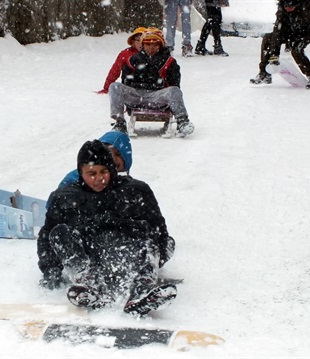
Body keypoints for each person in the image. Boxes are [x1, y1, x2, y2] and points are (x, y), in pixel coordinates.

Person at [37, 139, 177, 316]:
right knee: (60, 233)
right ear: (81, 172)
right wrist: (51, 269)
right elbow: (47, 236)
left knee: (150, 234)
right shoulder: (64, 197)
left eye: (104, 171)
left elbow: (159, 229)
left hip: (127, 257)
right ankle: (90, 286)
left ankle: (142, 289)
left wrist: (158, 257)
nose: (98, 178)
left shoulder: (136, 191)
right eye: (91, 173)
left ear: (112, 169)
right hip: (90, 258)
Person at [108, 28, 195, 137]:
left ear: (160, 45)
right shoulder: (132, 60)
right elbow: (125, 82)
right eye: (148, 44)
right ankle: (119, 122)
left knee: (174, 90)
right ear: (143, 45)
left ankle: (182, 121)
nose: (151, 48)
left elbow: (174, 85)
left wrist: (158, 82)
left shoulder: (169, 62)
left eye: (155, 45)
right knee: (115, 87)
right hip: (135, 95)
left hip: (157, 97)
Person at [249, 0, 310, 89]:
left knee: (296, 50)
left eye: (290, 7)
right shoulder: (282, 9)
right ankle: (264, 73)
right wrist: (274, 54)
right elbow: (277, 31)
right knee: (268, 38)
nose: (288, 9)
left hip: (306, 33)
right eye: (286, 7)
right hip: (289, 32)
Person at [57, 131, 132, 189]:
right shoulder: (74, 179)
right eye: (108, 154)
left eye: (118, 154)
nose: (113, 159)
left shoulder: (128, 184)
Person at [96, 27, 146, 95]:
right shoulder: (125, 54)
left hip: (149, 88)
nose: (141, 44)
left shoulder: (153, 54)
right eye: (138, 41)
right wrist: (106, 88)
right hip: (129, 88)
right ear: (133, 42)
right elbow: (115, 71)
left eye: (144, 41)